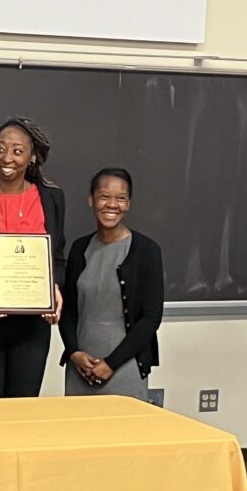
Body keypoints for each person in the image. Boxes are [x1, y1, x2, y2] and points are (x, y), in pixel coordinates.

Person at [0, 117, 65, 398]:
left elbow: (58, 257)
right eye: (0, 149)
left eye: (17, 151)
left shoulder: (52, 197)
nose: (7, 158)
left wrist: (55, 287)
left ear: (32, 157)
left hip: (32, 327)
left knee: (22, 415)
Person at [59, 167, 163, 400]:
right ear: (91, 200)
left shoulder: (147, 251)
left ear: (128, 204)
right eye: (104, 196)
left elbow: (150, 318)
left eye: (120, 199)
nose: (112, 205)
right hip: (80, 368)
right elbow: (69, 311)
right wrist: (74, 353)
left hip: (125, 368)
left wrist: (110, 364)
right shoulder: (79, 248)